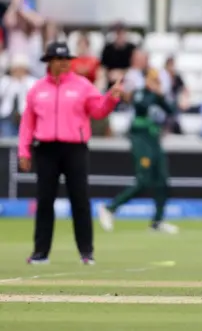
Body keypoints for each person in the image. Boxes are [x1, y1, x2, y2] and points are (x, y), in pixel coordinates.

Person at [18, 42, 123, 265]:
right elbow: (28, 124)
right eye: (59, 59)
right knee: (45, 201)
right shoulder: (38, 89)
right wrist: (23, 151)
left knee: (80, 200)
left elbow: (98, 110)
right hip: (46, 148)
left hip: (75, 148)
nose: (65, 63)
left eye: (67, 59)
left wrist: (111, 98)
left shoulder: (82, 85)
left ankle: (86, 252)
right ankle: (40, 253)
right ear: (49, 62)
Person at [98, 69, 178, 234]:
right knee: (143, 180)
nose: (155, 84)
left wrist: (160, 95)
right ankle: (110, 208)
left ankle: (158, 221)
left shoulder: (158, 97)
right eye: (152, 80)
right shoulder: (141, 94)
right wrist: (155, 94)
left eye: (157, 81)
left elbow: (171, 110)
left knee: (162, 180)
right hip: (141, 141)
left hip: (154, 140)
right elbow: (141, 105)